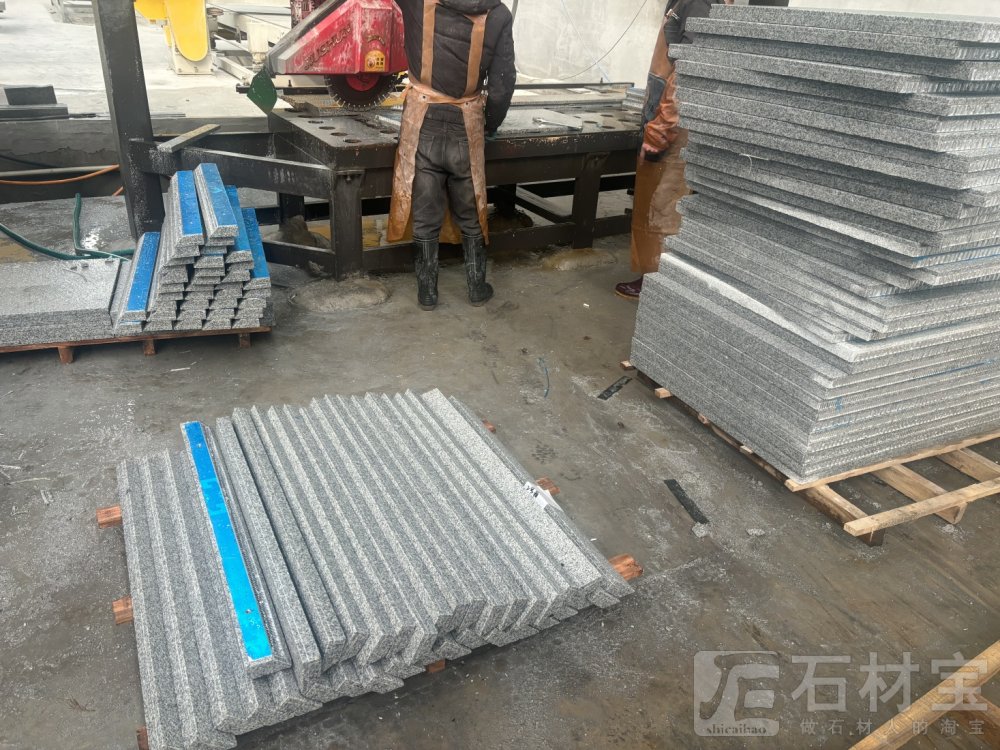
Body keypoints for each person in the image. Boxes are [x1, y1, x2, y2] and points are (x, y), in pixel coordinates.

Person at [388, 0, 517, 311]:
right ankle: (477, 288)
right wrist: (490, 123)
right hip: (466, 123)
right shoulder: (498, 13)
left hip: (422, 120)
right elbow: (503, 84)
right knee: (471, 211)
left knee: (425, 209)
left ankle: (427, 293)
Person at [615, 0, 721, 300]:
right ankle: (652, 274)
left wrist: (660, 130)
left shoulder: (698, 3)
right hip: (664, 116)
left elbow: (687, 71)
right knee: (656, 201)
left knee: (662, 205)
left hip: (673, 127)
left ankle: (656, 280)